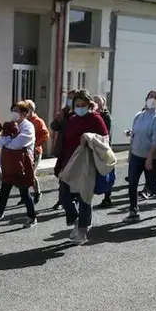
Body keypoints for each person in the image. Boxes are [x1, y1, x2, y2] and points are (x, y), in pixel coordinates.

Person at [54, 90, 108, 244]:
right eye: (77, 105)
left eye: (83, 105)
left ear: (89, 105)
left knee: (85, 198)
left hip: (87, 163)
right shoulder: (72, 119)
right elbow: (64, 142)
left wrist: (89, 137)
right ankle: (76, 220)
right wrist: (59, 165)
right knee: (64, 197)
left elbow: (104, 141)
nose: (79, 108)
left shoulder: (96, 119)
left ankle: (82, 232)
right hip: (69, 163)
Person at [0, 101, 37, 232]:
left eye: (17, 111)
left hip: (21, 164)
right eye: (12, 110)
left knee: (24, 192)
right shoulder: (9, 125)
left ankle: (32, 216)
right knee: (4, 192)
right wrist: (7, 140)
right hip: (8, 163)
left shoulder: (28, 126)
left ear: (24, 113)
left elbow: (19, 143)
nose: (13, 113)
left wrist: (7, 141)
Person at [122, 91, 156, 223]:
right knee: (132, 183)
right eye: (150, 97)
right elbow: (135, 134)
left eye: (155, 98)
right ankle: (133, 211)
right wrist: (130, 153)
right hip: (136, 155)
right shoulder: (139, 115)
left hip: (152, 157)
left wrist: (150, 158)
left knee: (151, 184)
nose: (152, 100)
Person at [50, 90, 77, 210]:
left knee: (71, 177)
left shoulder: (78, 114)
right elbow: (54, 127)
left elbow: (72, 128)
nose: (69, 100)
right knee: (61, 175)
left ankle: (72, 199)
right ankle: (62, 200)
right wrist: (57, 120)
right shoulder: (65, 110)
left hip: (74, 150)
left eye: (72, 98)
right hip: (63, 149)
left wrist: (63, 121)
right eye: (68, 98)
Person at [24, 100, 50, 204]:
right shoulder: (24, 121)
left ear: (31, 109)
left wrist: (35, 144)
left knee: (31, 173)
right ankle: (25, 194)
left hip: (35, 151)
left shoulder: (38, 121)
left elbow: (45, 135)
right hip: (25, 151)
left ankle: (37, 192)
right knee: (24, 173)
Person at [92, 95, 114, 208]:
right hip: (93, 147)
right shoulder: (91, 115)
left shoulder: (106, 116)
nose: (96, 103)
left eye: (98, 101)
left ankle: (107, 196)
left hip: (104, 147)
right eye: (94, 101)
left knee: (106, 171)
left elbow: (106, 133)